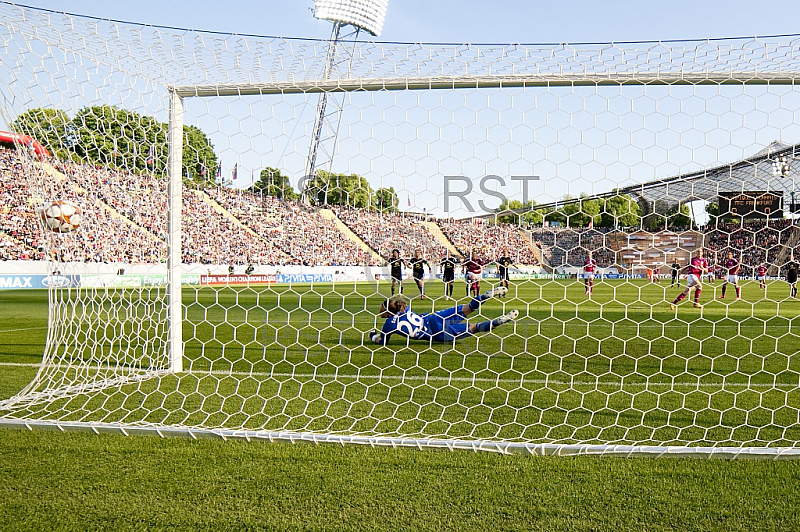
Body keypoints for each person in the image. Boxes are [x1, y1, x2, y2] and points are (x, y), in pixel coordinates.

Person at [369, 287, 518, 346]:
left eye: (381, 310)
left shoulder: (389, 324)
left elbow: (383, 342)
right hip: (433, 318)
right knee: (468, 308)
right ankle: (486, 295)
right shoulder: (405, 308)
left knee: (474, 328)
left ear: (388, 312)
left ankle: (500, 321)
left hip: (435, 333)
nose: (380, 312)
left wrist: (372, 336)